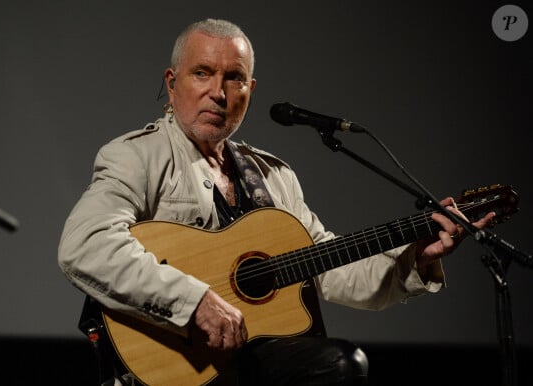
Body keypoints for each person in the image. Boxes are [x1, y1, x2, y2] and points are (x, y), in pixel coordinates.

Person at [58, 18, 495, 386]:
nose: (218, 91)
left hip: (254, 359)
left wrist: (416, 255)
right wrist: (194, 301)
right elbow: (87, 245)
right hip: (180, 365)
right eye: (202, 73)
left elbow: (330, 268)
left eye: (233, 78)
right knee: (339, 365)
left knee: (342, 363)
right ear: (172, 85)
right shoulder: (137, 157)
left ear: (249, 89)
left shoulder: (272, 176)